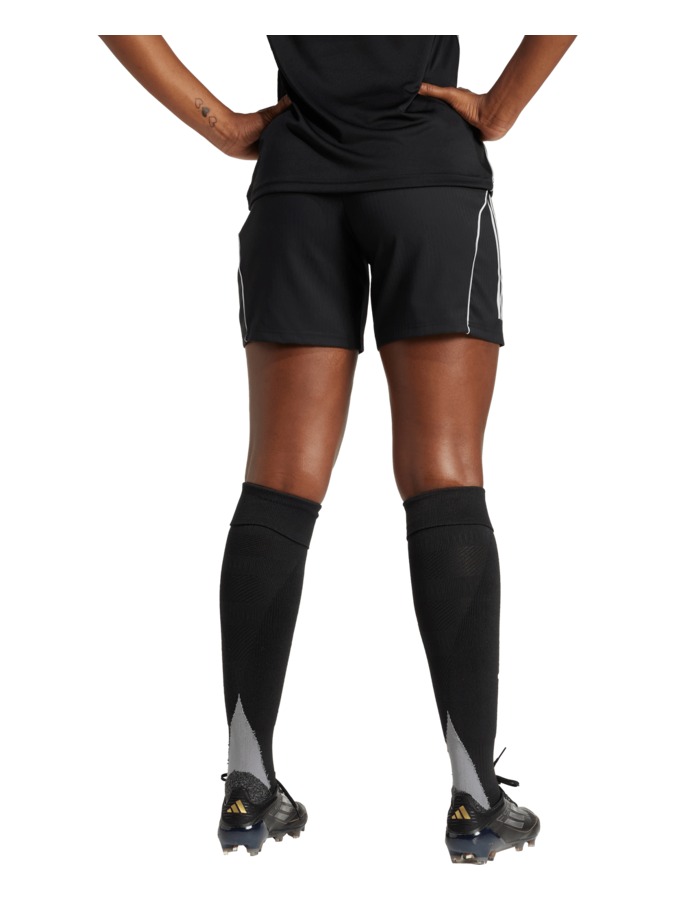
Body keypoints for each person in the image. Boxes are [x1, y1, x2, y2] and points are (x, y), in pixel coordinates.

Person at [99, 33, 577, 865]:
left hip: (296, 186)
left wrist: (221, 126)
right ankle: (473, 798)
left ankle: (247, 782)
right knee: (444, 475)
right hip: (428, 179)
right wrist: (499, 109)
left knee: (278, 481)